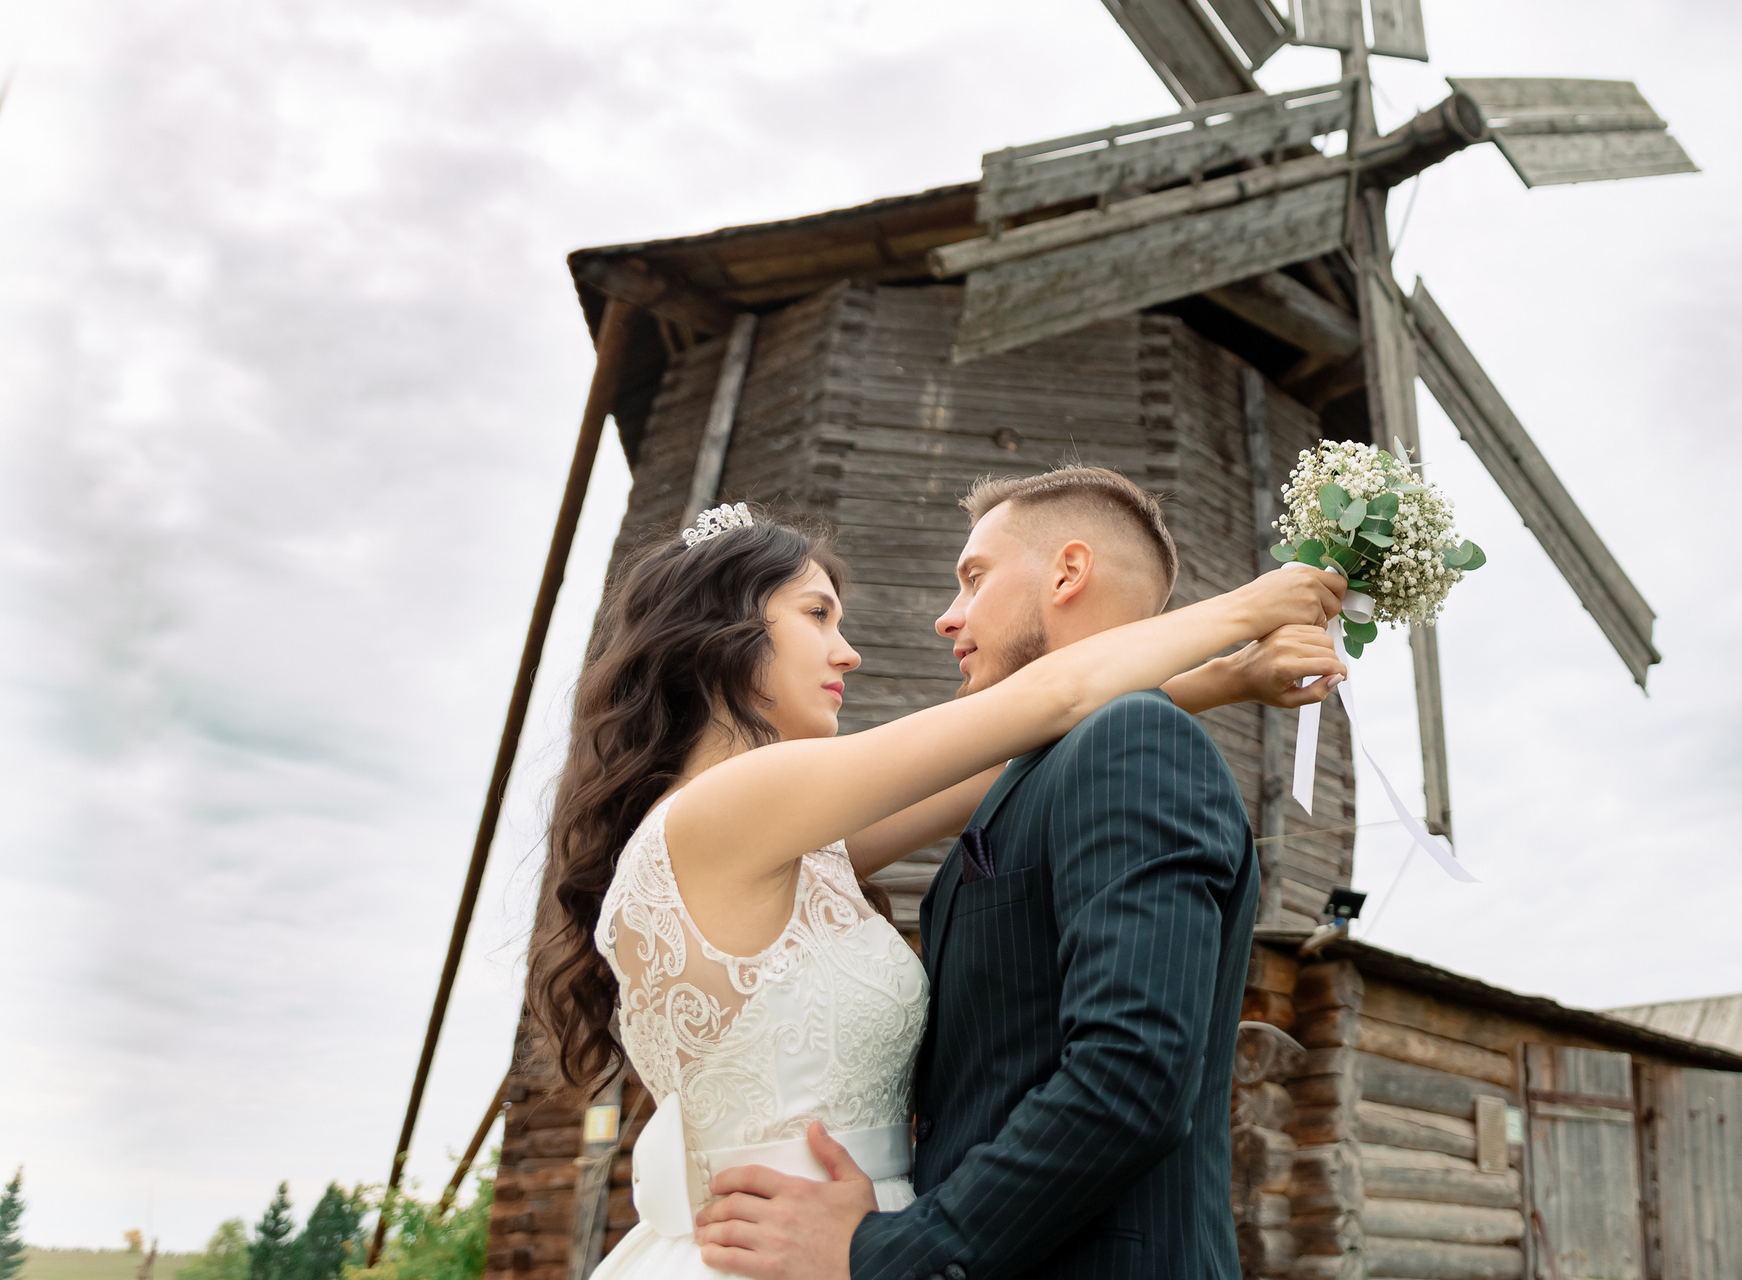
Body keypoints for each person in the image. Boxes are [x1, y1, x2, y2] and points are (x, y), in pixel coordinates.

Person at [528, 478, 1343, 1280]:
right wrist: (1260, 602)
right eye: (816, 614)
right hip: (791, 1255)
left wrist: (1229, 679)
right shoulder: (732, 807)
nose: (848, 650)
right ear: (719, 634)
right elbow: (1053, 697)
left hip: (839, 1244)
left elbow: (1009, 758)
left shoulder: (785, 843)